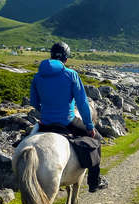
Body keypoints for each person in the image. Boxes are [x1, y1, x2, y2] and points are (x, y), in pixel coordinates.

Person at [30, 41, 108, 193]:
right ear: (66, 58)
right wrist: (90, 127)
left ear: (51, 56)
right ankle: (94, 182)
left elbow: (34, 102)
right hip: (67, 121)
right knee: (97, 140)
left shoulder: (38, 76)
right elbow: (83, 103)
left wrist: (45, 112)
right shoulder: (71, 74)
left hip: (45, 123)